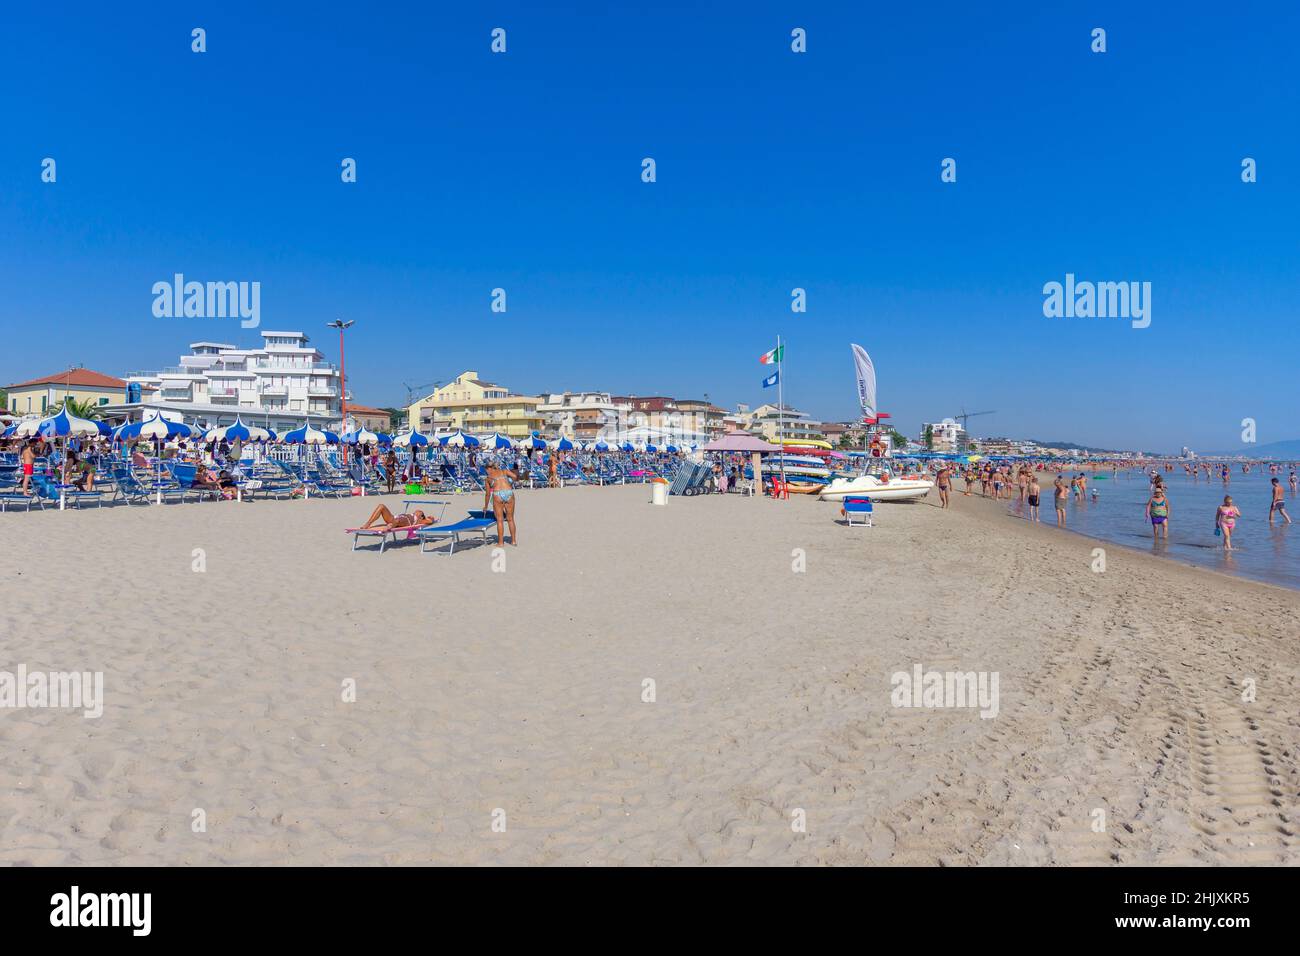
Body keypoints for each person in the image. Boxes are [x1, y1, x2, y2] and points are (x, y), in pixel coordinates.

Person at [484, 459, 522, 545]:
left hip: (497, 494)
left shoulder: (488, 478)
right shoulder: (504, 471)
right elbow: (515, 477)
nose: (486, 472)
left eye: (485, 470)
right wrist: (510, 483)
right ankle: (513, 541)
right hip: (509, 492)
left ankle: (501, 543)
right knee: (510, 519)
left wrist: (485, 506)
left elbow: (487, 494)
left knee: (500, 520)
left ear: (488, 468)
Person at [358, 503, 435, 531]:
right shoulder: (412, 514)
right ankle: (368, 523)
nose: (417, 510)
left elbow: (430, 521)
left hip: (405, 522)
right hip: (393, 518)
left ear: (421, 516)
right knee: (381, 506)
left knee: (398, 520)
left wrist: (430, 518)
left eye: (419, 511)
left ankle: (390, 526)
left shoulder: (419, 520)